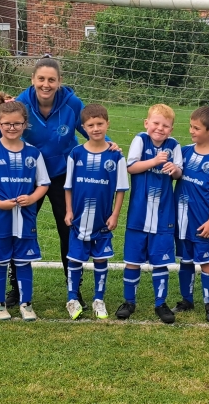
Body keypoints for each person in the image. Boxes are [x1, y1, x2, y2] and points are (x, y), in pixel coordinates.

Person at [0, 56, 120, 309]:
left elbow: (90, 129)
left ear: (60, 81)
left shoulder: (72, 103)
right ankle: (16, 290)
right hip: (28, 178)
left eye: (51, 79)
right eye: (41, 79)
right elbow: (1, 127)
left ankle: (74, 291)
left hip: (63, 176)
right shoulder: (22, 101)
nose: (46, 84)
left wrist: (110, 144)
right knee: (19, 230)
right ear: (33, 80)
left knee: (69, 230)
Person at [115, 104, 183, 323]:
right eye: (155, 123)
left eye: (165, 125)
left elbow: (179, 173)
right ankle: (129, 302)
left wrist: (174, 170)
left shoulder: (174, 146)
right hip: (139, 214)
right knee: (132, 261)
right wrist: (154, 161)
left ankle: (160, 304)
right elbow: (131, 167)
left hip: (164, 217)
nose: (160, 128)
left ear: (171, 129)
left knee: (160, 262)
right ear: (147, 123)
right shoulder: (140, 140)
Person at [0, 93, 50, 321]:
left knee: (24, 261)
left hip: (25, 218)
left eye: (17, 123)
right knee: (0, 260)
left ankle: (26, 304)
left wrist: (33, 198)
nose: (12, 127)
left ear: (25, 124)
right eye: (7, 124)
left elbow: (43, 183)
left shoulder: (33, 152)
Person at [63, 104, 128, 320]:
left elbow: (120, 189)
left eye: (100, 123)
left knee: (101, 260)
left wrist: (115, 214)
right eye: (91, 125)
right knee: (74, 259)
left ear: (107, 124)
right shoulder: (76, 153)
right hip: (79, 219)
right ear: (83, 127)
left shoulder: (116, 156)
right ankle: (72, 299)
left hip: (102, 220)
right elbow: (68, 186)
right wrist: (69, 210)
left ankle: (98, 299)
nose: (96, 128)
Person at [173, 106, 209, 323]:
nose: (191, 131)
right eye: (191, 126)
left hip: (203, 221)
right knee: (185, 260)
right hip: (181, 219)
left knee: (207, 261)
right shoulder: (184, 151)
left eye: (196, 128)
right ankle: (187, 299)